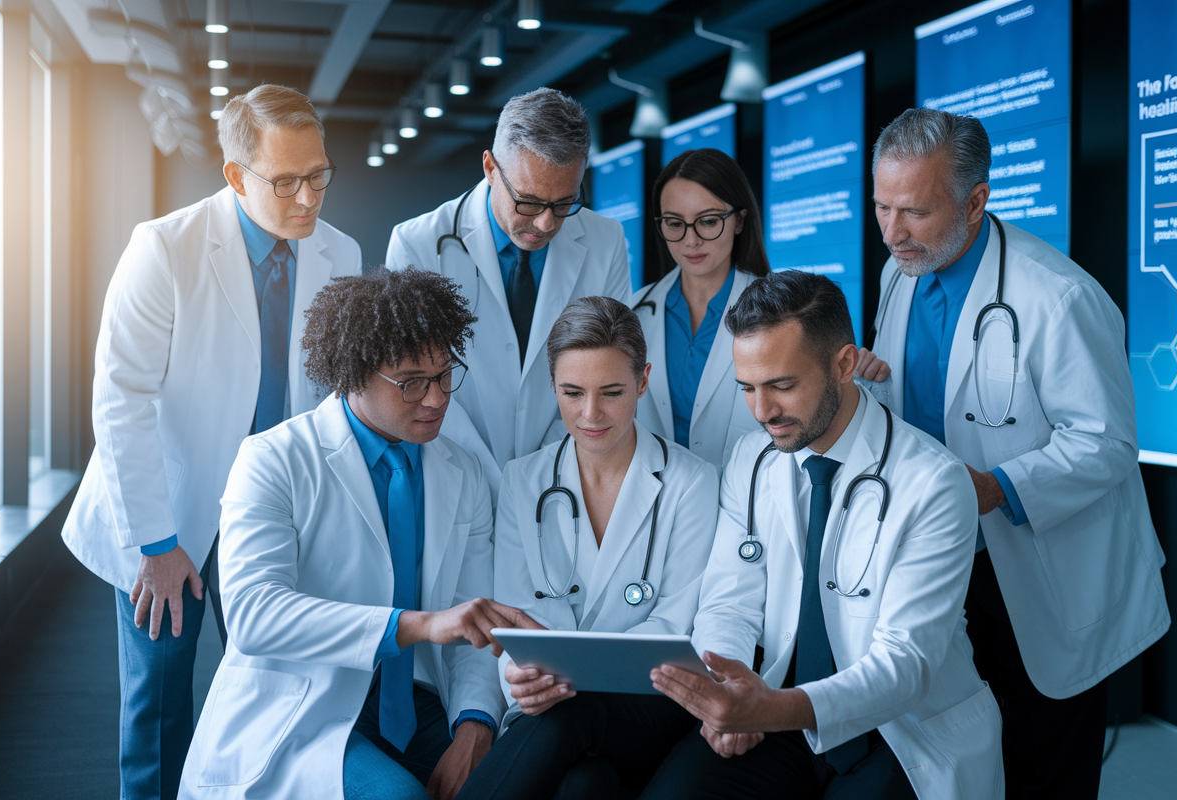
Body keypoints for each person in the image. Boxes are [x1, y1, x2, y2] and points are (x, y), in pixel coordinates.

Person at [856, 108, 1170, 799]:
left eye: (914, 211)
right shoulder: (899, 275)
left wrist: (996, 486)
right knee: (963, 760)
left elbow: (1108, 443)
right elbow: (913, 409)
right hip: (945, 560)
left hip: (1044, 567)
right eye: (881, 206)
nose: (892, 232)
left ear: (975, 200)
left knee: (1044, 765)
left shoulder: (1059, 297)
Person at [60, 85, 361, 798]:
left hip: (269, 507)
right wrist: (158, 547)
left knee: (274, 688)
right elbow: (121, 398)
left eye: (319, 175)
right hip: (166, 507)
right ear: (236, 176)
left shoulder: (339, 254)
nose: (308, 199)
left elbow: (331, 399)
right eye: (286, 182)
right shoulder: (164, 248)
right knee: (162, 699)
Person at [178, 270, 539, 800]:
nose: (437, 398)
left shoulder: (461, 472)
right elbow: (254, 615)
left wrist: (475, 724)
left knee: (534, 778)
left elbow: (473, 622)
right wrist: (416, 625)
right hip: (303, 708)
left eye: (445, 375)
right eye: (413, 381)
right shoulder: (272, 461)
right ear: (352, 375)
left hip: (418, 701)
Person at [643, 270, 1003, 800]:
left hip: (898, 730)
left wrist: (770, 708)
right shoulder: (751, 459)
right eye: (747, 388)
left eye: (782, 386)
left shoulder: (935, 482)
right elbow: (729, 602)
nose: (762, 412)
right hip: (778, 706)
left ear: (844, 364)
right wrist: (733, 685)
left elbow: (905, 665)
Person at [457, 296, 719, 800]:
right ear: (552, 386)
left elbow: (674, 623)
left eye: (612, 392)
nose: (590, 413)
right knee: (585, 785)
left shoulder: (692, 482)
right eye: (572, 392)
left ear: (643, 381)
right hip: (549, 708)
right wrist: (518, 672)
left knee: (572, 715)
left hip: (651, 702)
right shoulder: (522, 481)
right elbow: (517, 617)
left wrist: (565, 676)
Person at [385, 87, 631, 499]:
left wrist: (543, 464)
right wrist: (488, 471)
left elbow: (608, 366)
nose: (547, 223)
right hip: (452, 462)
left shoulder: (605, 240)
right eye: (529, 202)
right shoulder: (419, 244)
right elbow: (416, 378)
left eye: (565, 202)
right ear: (490, 168)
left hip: (562, 467)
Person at [632, 149, 767, 476]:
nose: (690, 241)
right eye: (675, 224)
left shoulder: (779, 314)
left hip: (745, 508)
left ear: (739, 221)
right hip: (658, 508)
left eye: (708, 221)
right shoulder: (634, 312)